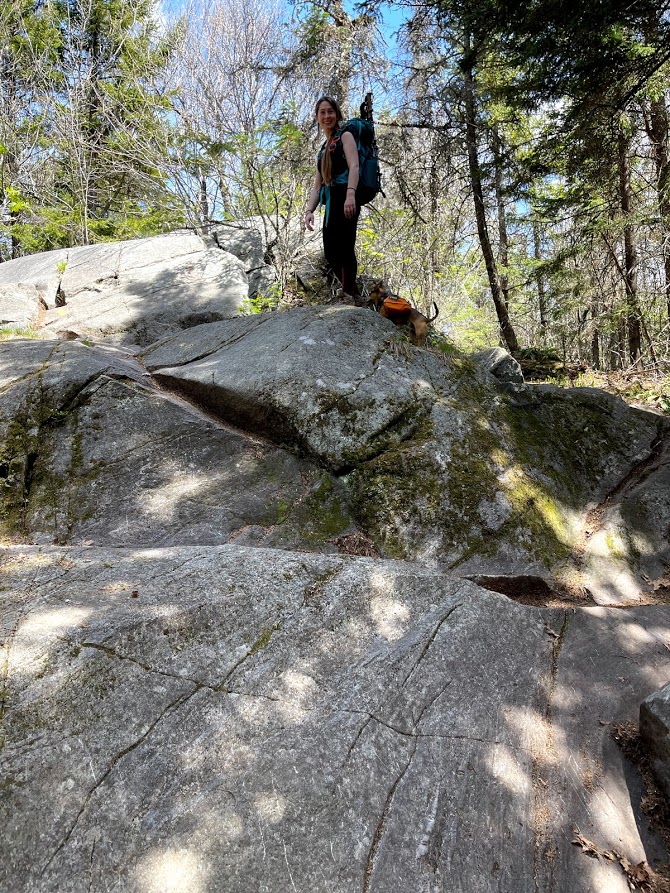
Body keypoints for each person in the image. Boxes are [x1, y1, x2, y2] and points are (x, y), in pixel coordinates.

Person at [304, 96, 363, 304]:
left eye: (330, 111)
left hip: (346, 195)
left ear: (336, 114)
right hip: (330, 201)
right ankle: (353, 292)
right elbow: (317, 186)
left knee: (346, 245)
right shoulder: (323, 150)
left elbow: (354, 166)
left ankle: (348, 293)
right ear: (317, 117)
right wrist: (309, 210)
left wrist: (350, 195)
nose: (327, 116)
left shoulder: (345, 136)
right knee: (331, 250)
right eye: (322, 112)